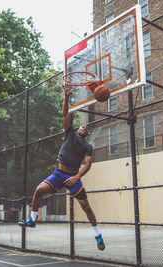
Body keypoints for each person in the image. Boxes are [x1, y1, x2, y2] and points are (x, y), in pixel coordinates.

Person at [18, 85, 105, 251]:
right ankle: (32, 220)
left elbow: (88, 165)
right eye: (83, 126)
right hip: (58, 175)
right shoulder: (70, 133)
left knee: (86, 207)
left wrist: (77, 177)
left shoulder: (87, 146)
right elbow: (65, 113)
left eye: (87, 128)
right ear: (78, 128)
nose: (85, 128)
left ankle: (98, 236)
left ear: (86, 134)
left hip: (73, 178)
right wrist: (66, 97)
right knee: (39, 190)